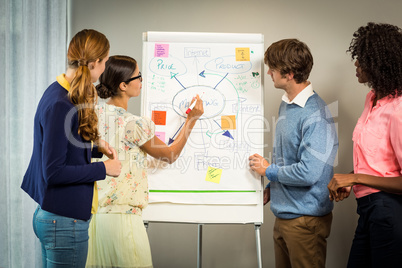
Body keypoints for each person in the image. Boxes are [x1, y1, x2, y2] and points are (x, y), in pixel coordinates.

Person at [85, 55, 203, 268]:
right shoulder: (134, 124)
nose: (142, 81)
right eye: (138, 76)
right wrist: (191, 120)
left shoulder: (91, 116)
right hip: (123, 221)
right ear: (123, 85)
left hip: (94, 219)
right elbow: (170, 154)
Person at [21, 29, 122, 268]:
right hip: (63, 223)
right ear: (95, 62)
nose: (105, 67)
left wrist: (97, 149)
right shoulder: (60, 103)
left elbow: (61, 146)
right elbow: (54, 172)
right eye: (105, 62)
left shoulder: (59, 91)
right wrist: (104, 169)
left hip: (57, 219)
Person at [248, 39, 338, 268]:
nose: (268, 72)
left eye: (273, 68)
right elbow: (289, 158)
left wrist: (269, 171)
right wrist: (273, 186)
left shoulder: (315, 113)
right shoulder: (287, 104)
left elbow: (309, 172)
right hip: (285, 216)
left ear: (288, 73)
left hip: (305, 221)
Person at [327, 22, 402, 267]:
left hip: (389, 211)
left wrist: (355, 178)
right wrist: (351, 179)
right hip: (368, 209)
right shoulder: (371, 99)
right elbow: (377, 164)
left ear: (379, 63)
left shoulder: (398, 109)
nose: (356, 65)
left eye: (362, 59)